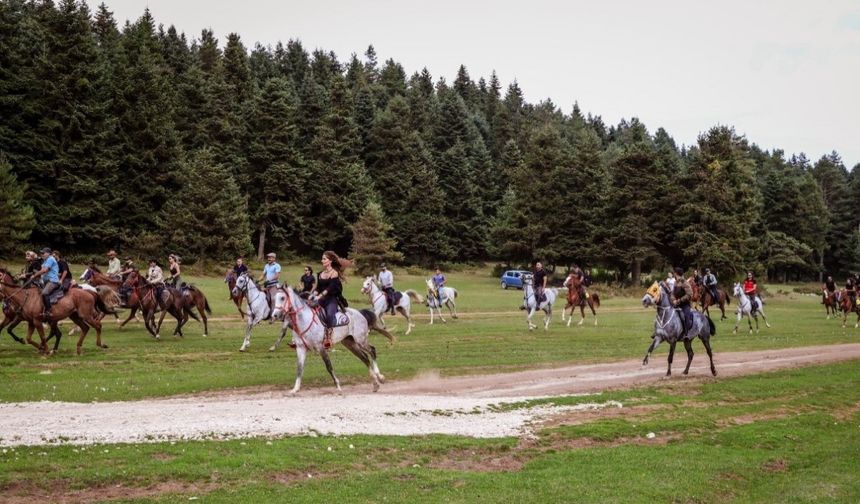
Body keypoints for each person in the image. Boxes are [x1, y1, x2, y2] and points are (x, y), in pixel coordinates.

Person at [313, 251, 349, 349]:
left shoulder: (334, 273)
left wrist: (319, 296)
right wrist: (312, 295)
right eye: (322, 259)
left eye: (324, 259)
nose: (322, 261)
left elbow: (330, 289)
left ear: (330, 261)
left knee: (329, 314)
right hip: (321, 298)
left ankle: (328, 337)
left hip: (331, 299)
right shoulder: (320, 274)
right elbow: (318, 288)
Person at [29, 248, 60, 319]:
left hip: (53, 281)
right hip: (46, 281)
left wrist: (35, 275)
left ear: (49, 253)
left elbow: (45, 270)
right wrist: (34, 274)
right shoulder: (45, 261)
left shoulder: (50, 259)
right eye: (41, 253)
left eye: (43, 253)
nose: (42, 254)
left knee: (44, 293)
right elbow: (41, 270)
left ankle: (49, 311)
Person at [670, 267, 693, 336]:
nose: (673, 274)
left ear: (676, 273)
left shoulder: (684, 282)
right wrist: (673, 299)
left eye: (674, 272)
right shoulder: (675, 282)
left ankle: (686, 334)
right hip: (676, 304)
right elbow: (672, 293)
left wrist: (679, 301)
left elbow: (689, 294)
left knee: (686, 316)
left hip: (685, 305)